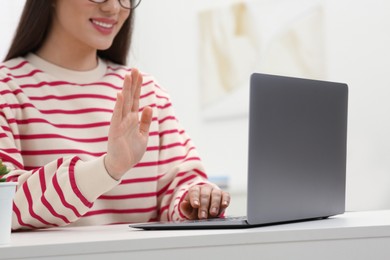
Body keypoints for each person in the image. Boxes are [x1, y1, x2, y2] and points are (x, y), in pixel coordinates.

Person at [0, 0, 230, 230]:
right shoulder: (7, 89)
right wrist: (107, 169)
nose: (114, 8)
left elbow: (179, 186)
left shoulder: (148, 92)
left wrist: (196, 199)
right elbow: (5, 206)